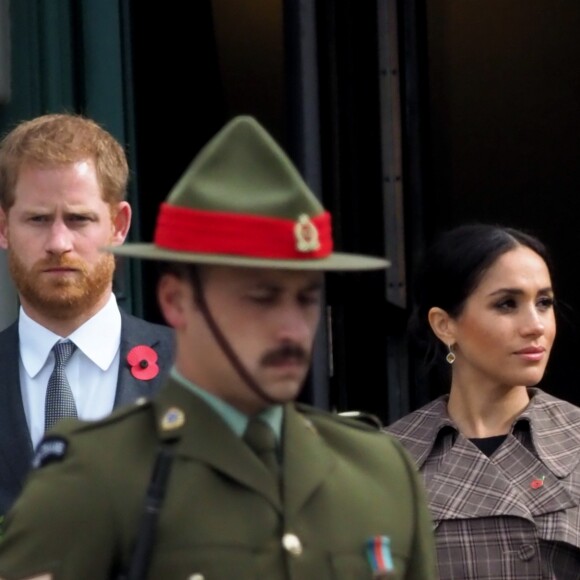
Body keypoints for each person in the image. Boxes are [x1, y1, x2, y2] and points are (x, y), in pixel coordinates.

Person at [0, 115, 438, 580]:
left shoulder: (380, 471)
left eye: (307, 298)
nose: (289, 328)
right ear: (177, 301)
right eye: (259, 299)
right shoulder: (92, 463)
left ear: (118, 223)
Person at [0, 113, 174, 517]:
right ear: (4, 226)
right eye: (38, 219)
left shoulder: (198, 374)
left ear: (118, 225)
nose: (58, 243)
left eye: (79, 219)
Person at [386, 223, 580, 579]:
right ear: (445, 325)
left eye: (544, 303)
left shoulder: (575, 439)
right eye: (507, 304)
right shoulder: (388, 459)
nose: (535, 325)